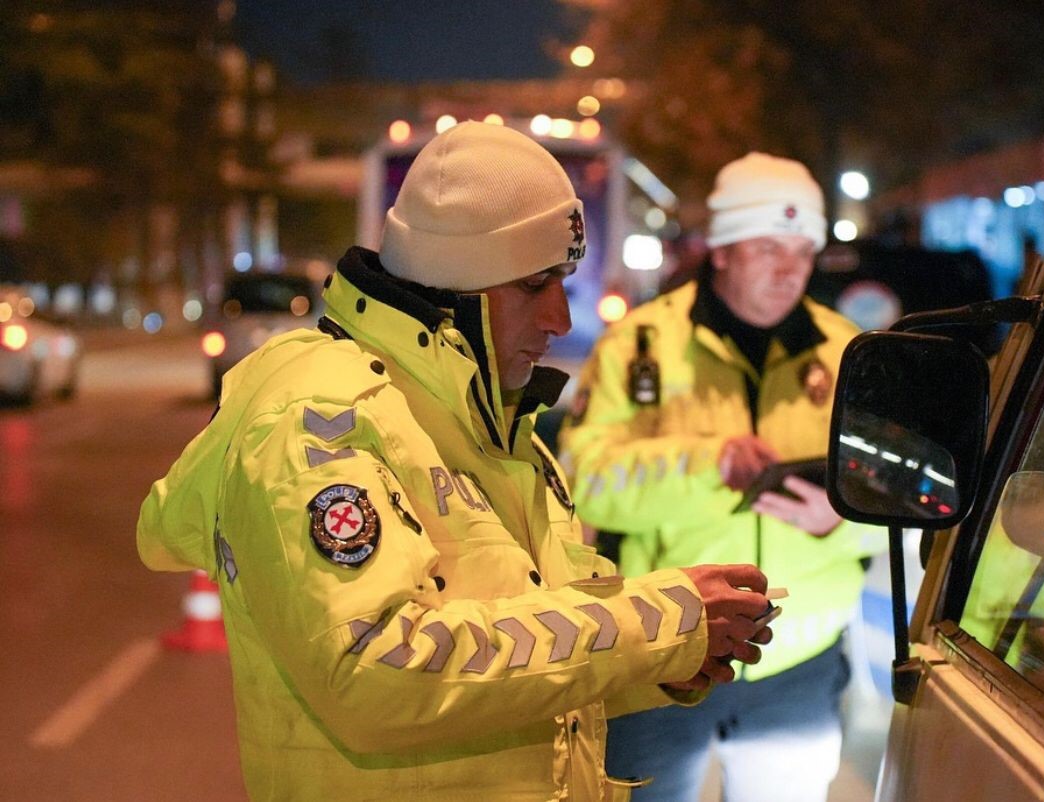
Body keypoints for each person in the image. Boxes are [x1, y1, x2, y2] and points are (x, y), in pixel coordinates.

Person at [136, 122, 775, 801]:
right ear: (457, 286)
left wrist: (657, 665)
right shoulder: (317, 420)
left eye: (563, 281)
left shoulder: (489, 421)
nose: (560, 318)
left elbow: (522, 657)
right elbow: (376, 671)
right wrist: (656, 626)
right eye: (535, 284)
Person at [559, 152, 886, 802]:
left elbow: (901, 499)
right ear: (722, 250)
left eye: (803, 250)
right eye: (768, 247)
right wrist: (708, 465)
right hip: (663, 649)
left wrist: (844, 516)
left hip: (798, 661)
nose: (789, 269)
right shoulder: (639, 346)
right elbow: (582, 481)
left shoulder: (849, 352)